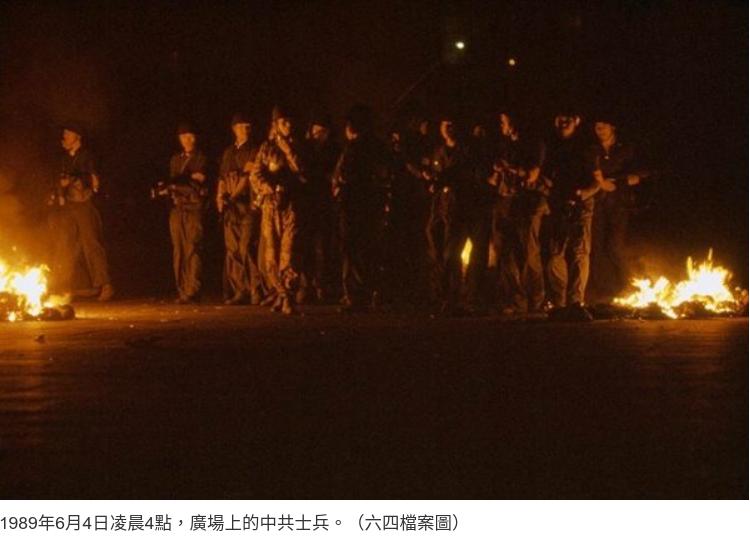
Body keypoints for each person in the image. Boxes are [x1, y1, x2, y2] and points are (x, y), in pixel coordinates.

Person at [423, 112, 490, 314]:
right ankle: (449, 297)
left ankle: (470, 298)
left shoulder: (469, 150)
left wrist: (444, 180)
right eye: (445, 124)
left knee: (472, 254)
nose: (448, 129)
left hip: (469, 207)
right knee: (447, 253)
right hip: (447, 208)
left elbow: (464, 174)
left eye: (452, 124)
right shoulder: (439, 151)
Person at [487, 111, 548, 314]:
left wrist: (510, 168)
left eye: (503, 122)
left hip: (526, 201)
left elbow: (532, 175)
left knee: (529, 250)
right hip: (504, 200)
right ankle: (515, 299)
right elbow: (495, 177)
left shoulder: (533, 145)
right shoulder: (504, 145)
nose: (501, 126)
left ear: (513, 122)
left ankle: (535, 298)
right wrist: (496, 173)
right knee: (504, 251)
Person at [249, 105, 306, 315]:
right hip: (270, 206)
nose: (288, 125)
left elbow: (302, 171)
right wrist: (269, 187)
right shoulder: (266, 148)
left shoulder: (298, 146)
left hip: (291, 206)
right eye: (283, 122)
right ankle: (281, 293)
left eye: (290, 121)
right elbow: (255, 174)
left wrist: (288, 151)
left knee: (289, 253)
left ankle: (288, 296)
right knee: (271, 254)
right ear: (275, 124)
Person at [48, 123, 114, 301]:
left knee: (91, 243)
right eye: (64, 135)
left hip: (84, 203)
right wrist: (59, 191)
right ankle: (66, 286)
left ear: (77, 137)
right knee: (65, 245)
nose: (64, 138)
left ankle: (105, 285)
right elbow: (60, 179)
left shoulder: (87, 156)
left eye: (68, 134)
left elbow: (93, 179)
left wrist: (74, 180)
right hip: (69, 205)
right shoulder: (64, 158)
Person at [543, 109, 599, 320]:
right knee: (554, 254)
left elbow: (597, 181)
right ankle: (559, 304)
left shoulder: (587, 147)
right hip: (558, 205)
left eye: (567, 118)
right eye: (560, 118)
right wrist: (550, 192)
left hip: (581, 206)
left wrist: (583, 194)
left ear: (576, 120)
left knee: (578, 252)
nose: (563, 122)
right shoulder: (552, 146)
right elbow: (546, 176)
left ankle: (575, 302)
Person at [332, 104, 386, 312]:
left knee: (353, 250)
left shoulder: (354, 149)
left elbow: (344, 176)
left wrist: (339, 186)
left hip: (353, 207)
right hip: (373, 206)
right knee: (369, 249)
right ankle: (371, 292)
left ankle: (355, 296)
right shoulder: (379, 148)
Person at [586, 113, 644, 299]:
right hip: (596, 203)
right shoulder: (591, 149)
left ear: (613, 127)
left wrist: (618, 182)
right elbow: (589, 172)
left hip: (619, 203)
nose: (600, 129)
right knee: (596, 247)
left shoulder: (626, 148)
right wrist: (600, 183)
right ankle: (604, 290)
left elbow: (638, 175)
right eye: (597, 126)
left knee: (615, 246)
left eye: (603, 125)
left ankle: (630, 283)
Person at [217, 113, 263, 305]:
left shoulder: (254, 149)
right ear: (234, 129)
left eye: (248, 126)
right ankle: (240, 290)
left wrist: (232, 196)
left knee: (247, 247)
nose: (245, 129)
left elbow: (246, 178)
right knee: (233, 249)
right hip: (231, 208)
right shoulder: (228, 152)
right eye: (242, 126)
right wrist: (220, 197)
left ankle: (255, 289)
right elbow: (222, 177)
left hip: (246, 205)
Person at [296, 113, 339, 304]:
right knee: (305, 246)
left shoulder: (334, 150)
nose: (319, 135)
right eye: (316, 131)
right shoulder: (305, 148)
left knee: (323, 247)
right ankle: (305, 286)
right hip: (307, 203)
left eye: (323, 132)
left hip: (325, 204)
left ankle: (321, 285)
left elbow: (334, 174)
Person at [166, 122, 208, 303]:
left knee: (193, 247)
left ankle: (193, 289)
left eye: (191, 136)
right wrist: (186, 180)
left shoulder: (202, 158)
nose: (187, 140)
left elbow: (199, 182)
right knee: (178, 249)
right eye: (184, 137)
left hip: (194, 207)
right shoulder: (176, 159)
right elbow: (174, 182)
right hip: (178, 208)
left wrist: (184, 181)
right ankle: (182, 289)